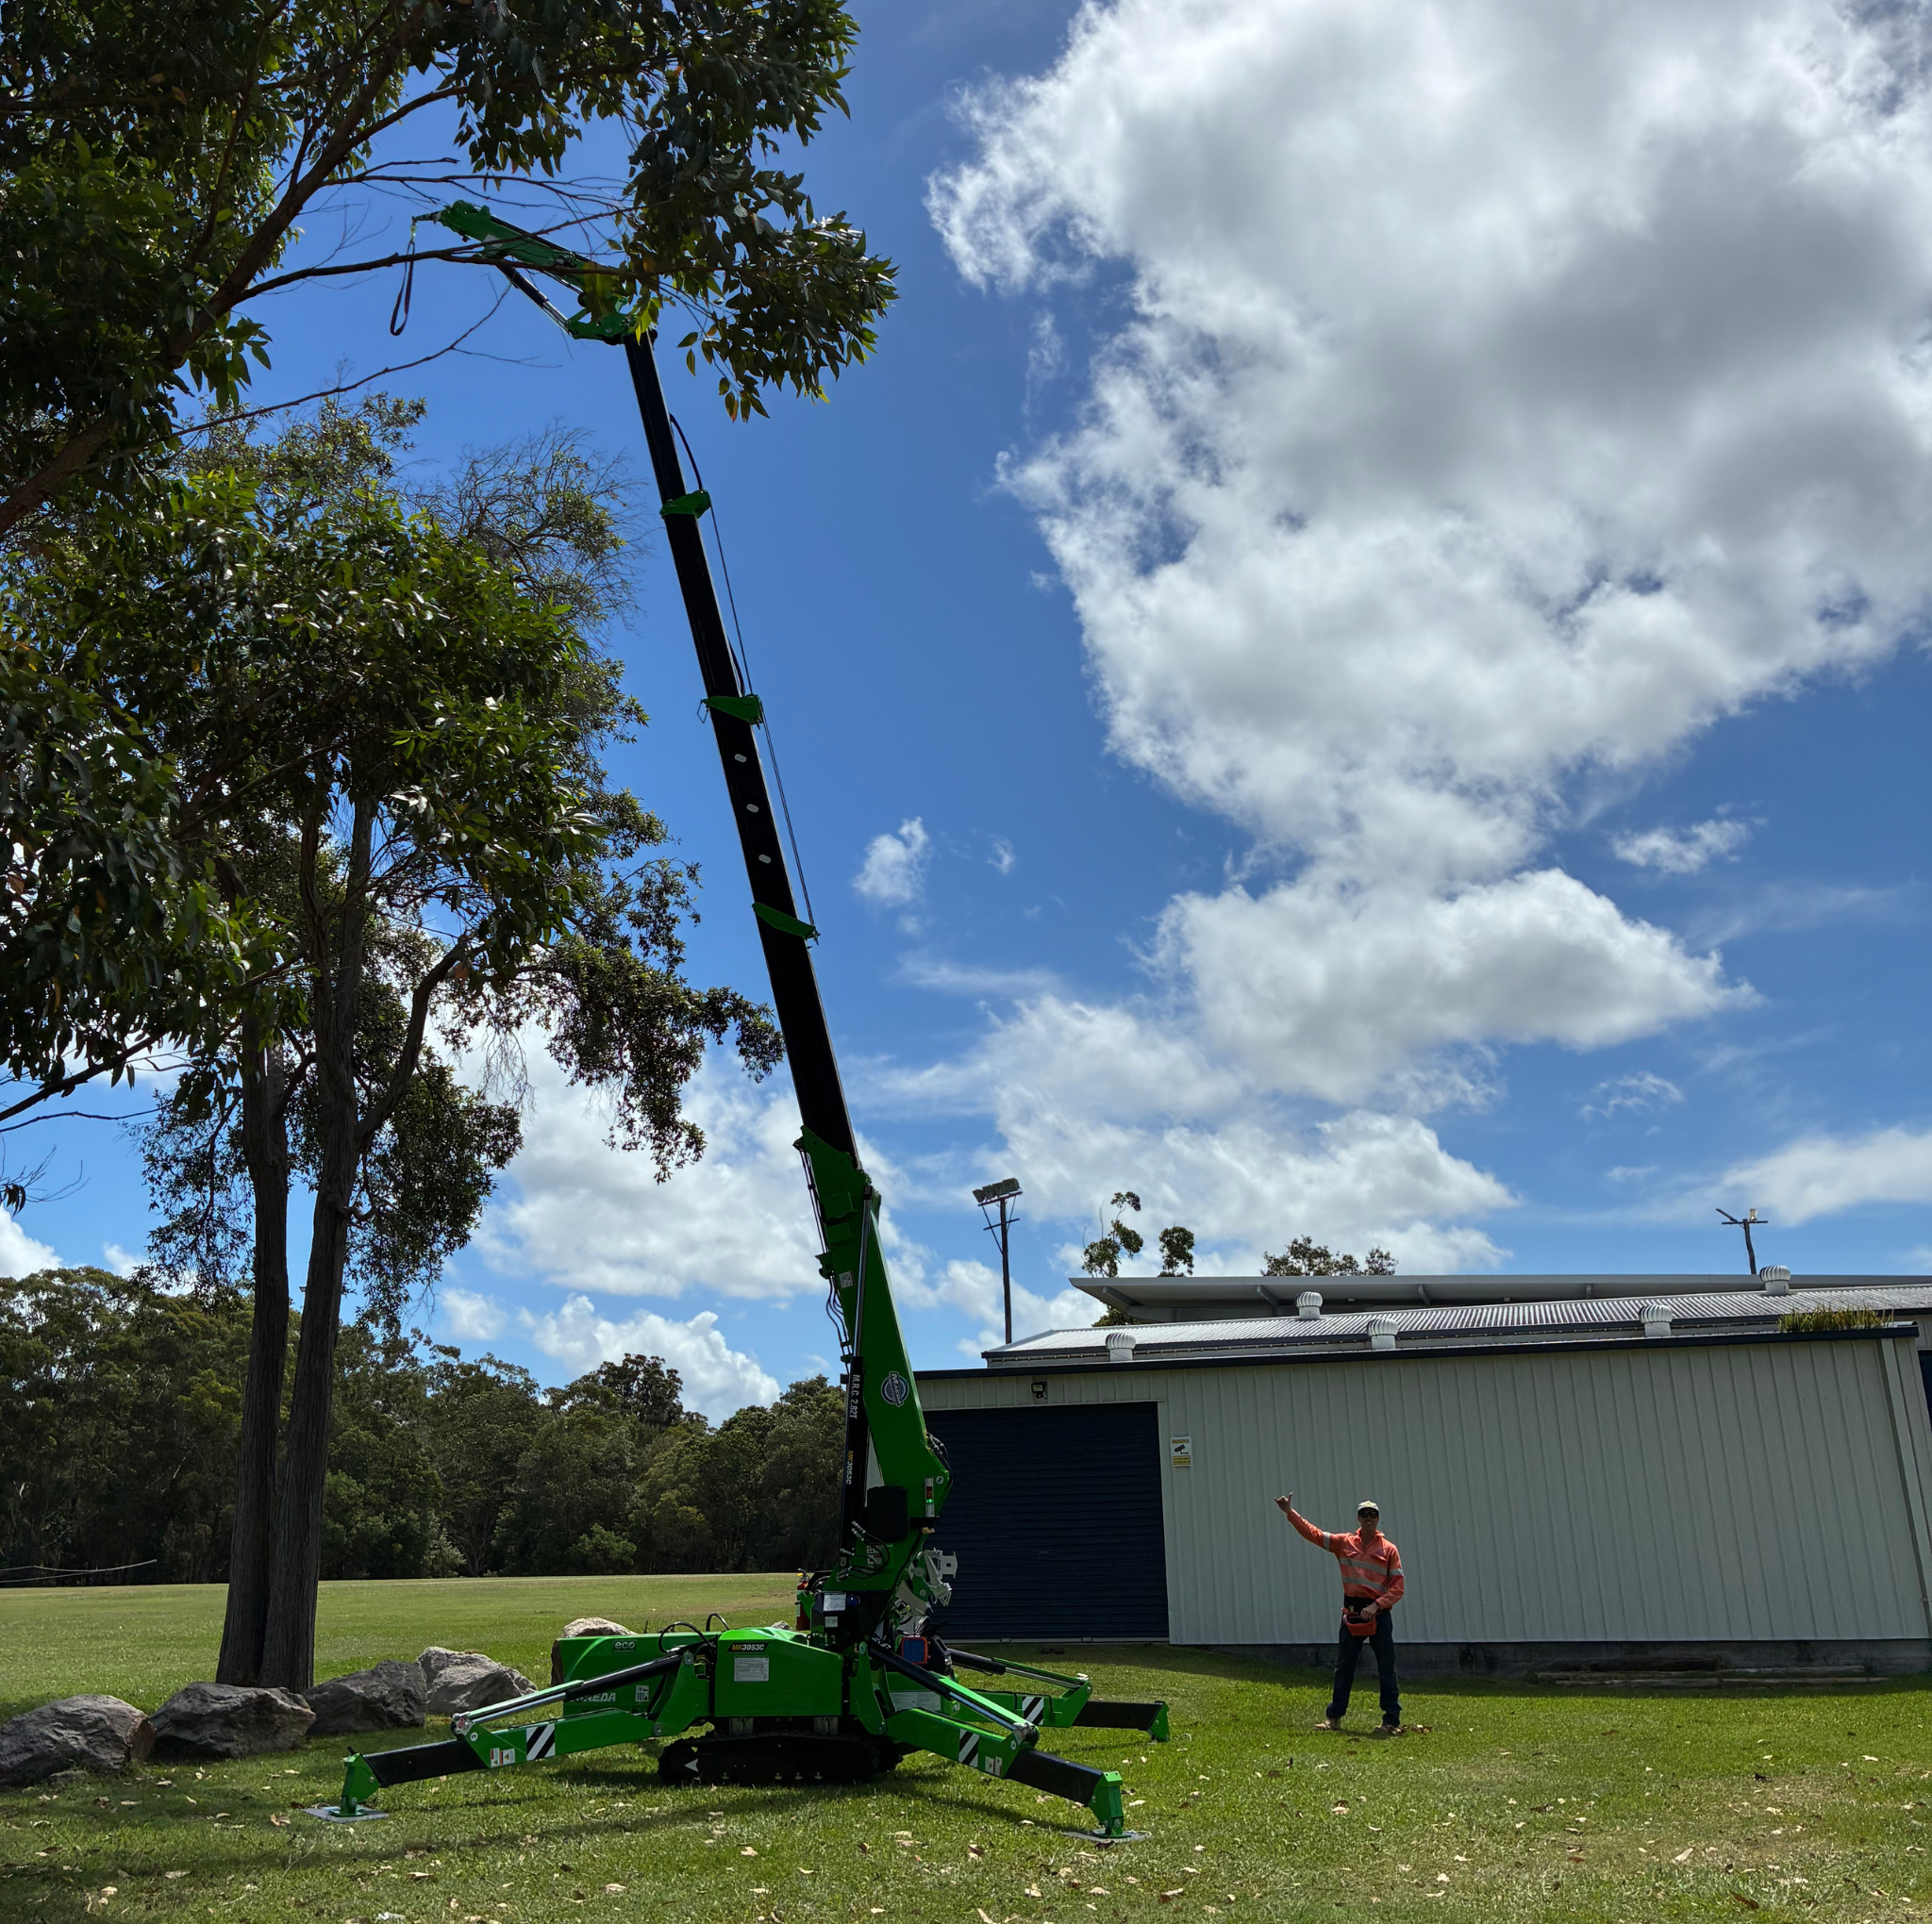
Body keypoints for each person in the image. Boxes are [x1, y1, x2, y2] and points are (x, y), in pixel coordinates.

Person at [1275, 1492, 1404, 1734]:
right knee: (1344, 1667)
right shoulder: (1344, 1543)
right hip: (1352, 1614)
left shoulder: (1389, 1550)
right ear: (1358, 1518)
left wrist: (1376, 1606)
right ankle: (1333, 1718)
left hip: (1379, 1615)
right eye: (1364, 1514)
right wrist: (1290, 1514)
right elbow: (1314, 1534)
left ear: (1378, 1519)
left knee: (1387, 1667)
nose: (1369, 1518)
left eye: (1373, 1515)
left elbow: (1398, 1587)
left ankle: (1390, 1722)